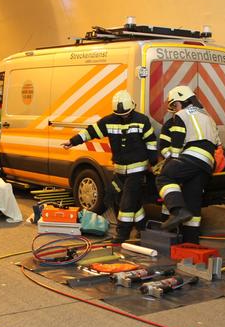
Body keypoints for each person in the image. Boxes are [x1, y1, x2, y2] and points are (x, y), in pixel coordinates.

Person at [62, 90, 157, 243]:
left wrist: (153, 163)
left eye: (126, 113)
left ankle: (122, 234)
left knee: (127, 202)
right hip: (119, 171)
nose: (124, 116)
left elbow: (151, 142)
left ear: (132, 107)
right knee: (114, 197)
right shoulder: (109, 121)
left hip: (137, 170)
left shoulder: (142, 120)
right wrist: (73, 141)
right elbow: (90, 132)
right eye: (120, 115)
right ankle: (142, 228)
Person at [157, 86, 221, 244]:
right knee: (193, 203)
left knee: (164, 177)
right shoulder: (208, 117)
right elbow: (218, 144)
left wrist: (171, 162)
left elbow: (177, 142)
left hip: (192, 156)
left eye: (174, 105)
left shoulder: (181, 115)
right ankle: (191, 243)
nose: (175, 109)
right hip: (207, 163)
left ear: (181, 101)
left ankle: (177, 211)